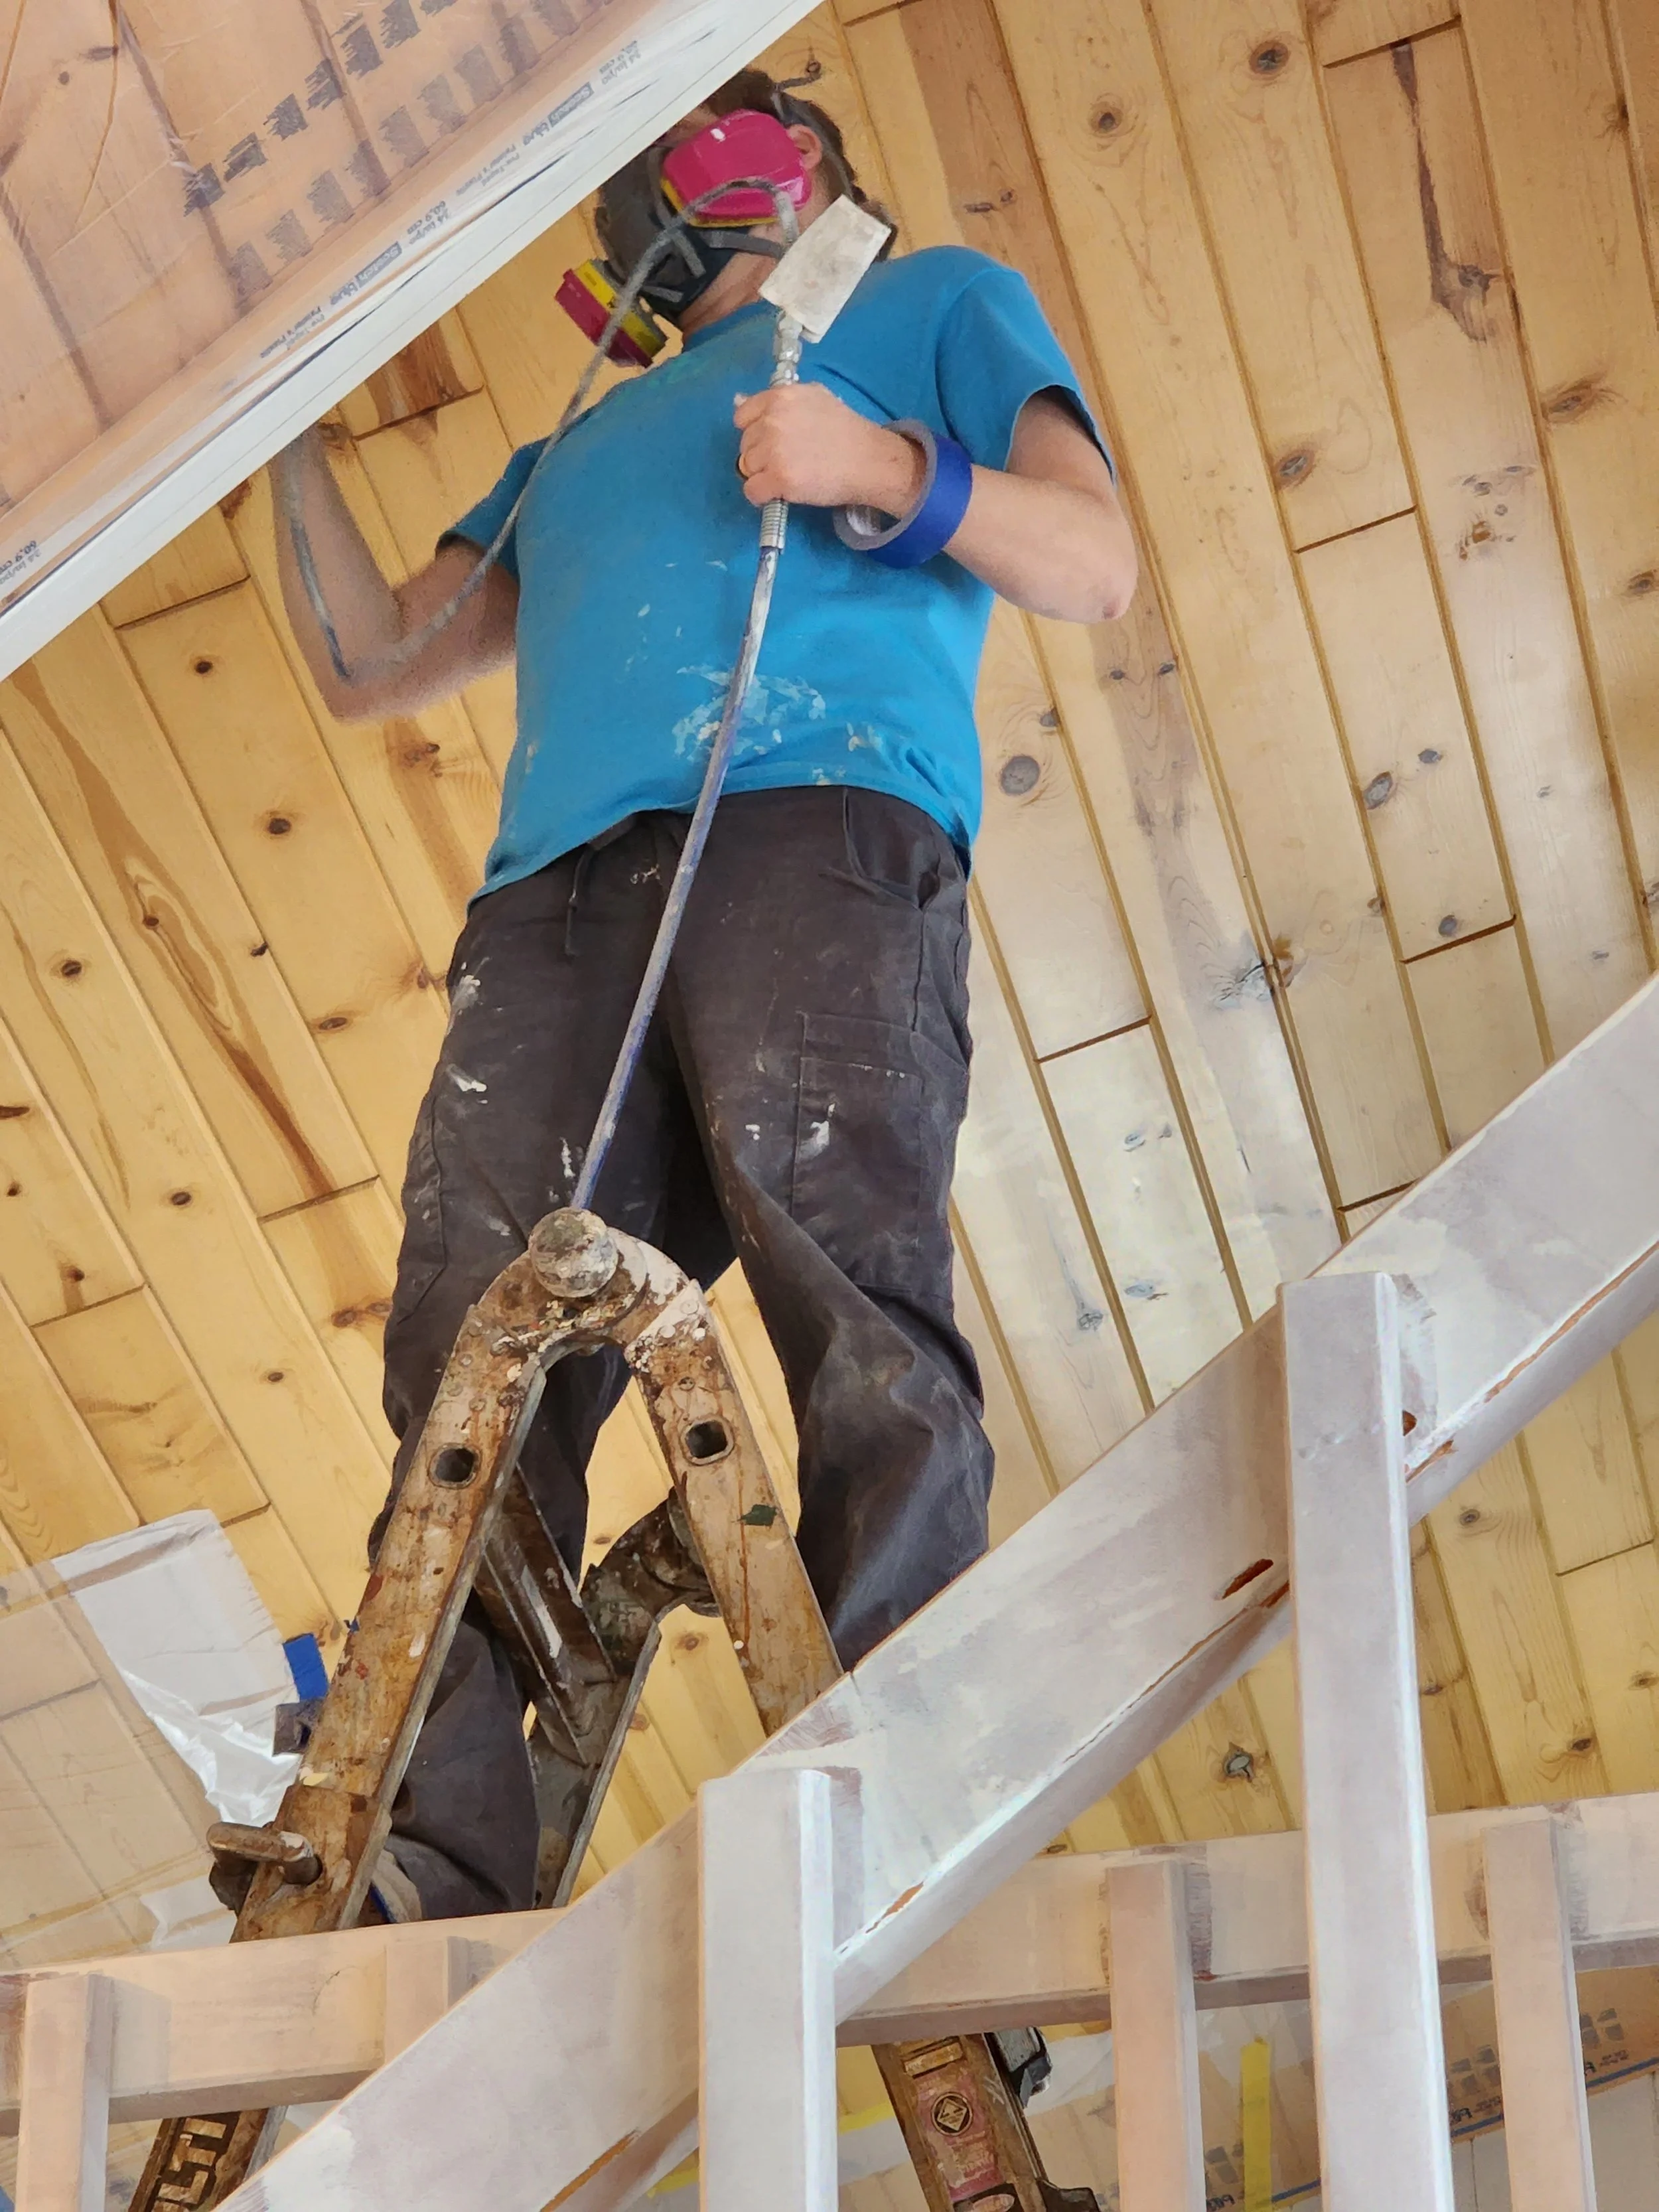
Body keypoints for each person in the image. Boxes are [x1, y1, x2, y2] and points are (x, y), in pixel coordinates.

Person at [275, 68, 1137, 1921]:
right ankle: (429, 1858)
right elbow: (368, 663)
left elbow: (1091, 558)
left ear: (801, 166)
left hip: (812, 818)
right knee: (471, 1354)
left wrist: (881, 470)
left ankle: (908, 1796)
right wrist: (272, 429)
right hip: (558, 897)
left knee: (846, 1281)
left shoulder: (927, 307)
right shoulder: (575, 444)